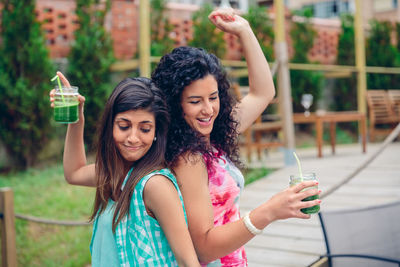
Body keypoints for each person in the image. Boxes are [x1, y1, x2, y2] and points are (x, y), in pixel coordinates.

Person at [151, 9, 321, 266]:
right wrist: (269, 211)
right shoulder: (188, 158)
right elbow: (204, 249)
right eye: (195, 101)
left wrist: (245, 31)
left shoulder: (210, 136)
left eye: (213, 97)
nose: (208, 109)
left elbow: (263, 93)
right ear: (175, 105)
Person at [50, 73, 200, 266]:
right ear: (110, 126)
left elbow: (188, 261)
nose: (133, 138)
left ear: (156, 133)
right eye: (124, 126)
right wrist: (77, 119)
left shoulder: (154, 185)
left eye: (145, 129)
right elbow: (74, 173)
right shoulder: (115, 172)